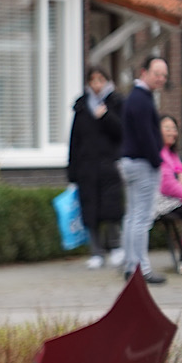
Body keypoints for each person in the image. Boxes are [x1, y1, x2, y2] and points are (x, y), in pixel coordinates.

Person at [117, 54, 170, 284]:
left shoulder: (136, 97)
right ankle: (141, 269)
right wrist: (157, 161)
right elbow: (145, 135)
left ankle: (131, 265)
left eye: (164, 75)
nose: (161, 79)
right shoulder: (141, 100)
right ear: (144, 72)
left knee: (132, 216)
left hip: (131, 163)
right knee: (142, 218)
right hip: (142, 164)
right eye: (157, 74)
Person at [68, 66, 124, 268]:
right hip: (87, 168)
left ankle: (116, 247)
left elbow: (122, 132)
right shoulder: (82, 107)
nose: (97, 84)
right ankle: (96, 252)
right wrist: (72, 173)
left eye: (101, 80)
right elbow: (75, 140)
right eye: (93, 80)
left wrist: (106, 116)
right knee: (90, 211)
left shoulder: (116, 102)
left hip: (109, 165)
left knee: (111, 208)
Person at [157, 114, 182, 271]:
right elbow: (167, 185)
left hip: (176, 199)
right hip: (163, 202)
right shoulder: (159, 153)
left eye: (174, 128)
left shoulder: (172, 153)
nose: (172, 132)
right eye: (167, 128)